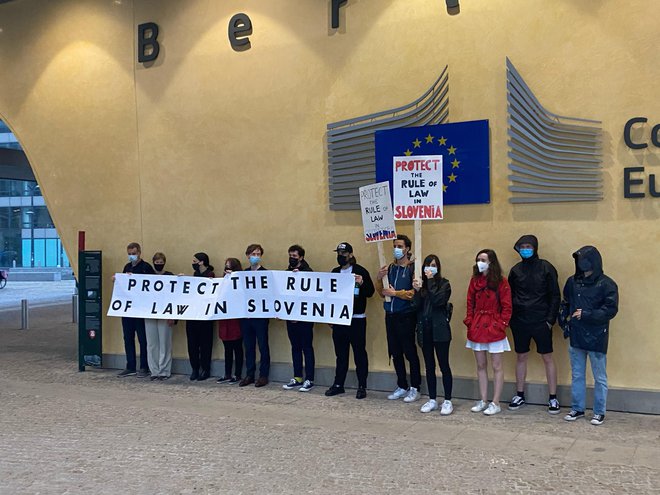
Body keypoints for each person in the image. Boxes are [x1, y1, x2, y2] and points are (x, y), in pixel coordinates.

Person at [560, 246, 618, 426]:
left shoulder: (606, 283)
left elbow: (610, 309)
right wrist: (563, 317)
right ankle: (577, 408)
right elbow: (566, 301)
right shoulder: (572, 282)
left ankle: (599, 411)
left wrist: (587, 314)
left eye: (584, 259)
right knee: (577, 374)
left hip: (597, 335)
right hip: (576, 334)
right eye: (578, 259)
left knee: (599, 376)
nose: (581, 263)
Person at [508, 235, 561, 414]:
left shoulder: (546, 268)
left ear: (535, 247)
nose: (525, 249)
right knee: (521, 356)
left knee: (547, 357)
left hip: (541, 321)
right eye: (522, 246)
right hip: (520, 321)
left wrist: (550, 320)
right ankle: (520, 394)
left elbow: (555, 295)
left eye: (528, 246)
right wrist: (511, 319)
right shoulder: (515, 270)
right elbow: (509, 296)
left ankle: (553, 397)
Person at [463, 249, 512, 416]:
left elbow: (507, 306)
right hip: (477, 326)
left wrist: (501, 324)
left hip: (494, 326)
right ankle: (483, 400)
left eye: (483, 259)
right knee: (481, 365)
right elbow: (469, 303)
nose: (480, 262)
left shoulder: (501, 282)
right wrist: (469, 321)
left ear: (491, 262)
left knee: (497, 366)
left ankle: (496, 402)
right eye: (478, 259)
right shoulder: (474, 281)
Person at [325, 242, 374, 399]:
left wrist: (362, 283)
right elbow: (328, 295)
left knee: (359, 353)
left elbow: (370, 292)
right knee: (341, 354)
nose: (341, 256)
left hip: (357, 319)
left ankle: (362, 386)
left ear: (350, 255)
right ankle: (338, 384)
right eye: (339, 253)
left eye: (344, 254)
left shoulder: (360, 271)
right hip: (339, 320)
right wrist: (329, 317)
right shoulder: (335, 272)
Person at [376, 234, 421, 403]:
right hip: (390, 315)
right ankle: (402, 385)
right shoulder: (390, 269)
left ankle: (415, 387)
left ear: (407, 249)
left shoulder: (412, 268)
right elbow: (382, 293)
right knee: (395, 352)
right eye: (395, 246)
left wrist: (396, 293)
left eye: (400, 246)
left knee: (410, 352)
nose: (397, 249)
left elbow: (414, 294)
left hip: (406, 316)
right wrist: (379, 279)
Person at [411, 255, 454, 415]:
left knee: (444, 365)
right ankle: (432, 399)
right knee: (429, 366)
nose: (430, 268)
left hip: (440, 331)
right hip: (425, 330)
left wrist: (430, 282)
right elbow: (415, 306)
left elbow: (438, 301)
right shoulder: (421, 286)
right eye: (428, 265)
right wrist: (416, 291)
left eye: (434, 265)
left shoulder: (444, 284)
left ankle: (448, 400)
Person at [117, 242, 154, 378]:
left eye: (134, 253)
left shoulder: (146, 267)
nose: (131, 256)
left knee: (143, 339)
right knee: (128, 338)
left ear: (139, 253)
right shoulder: (126, 267)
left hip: (141, 309)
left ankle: (144, 366)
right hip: (128, 309)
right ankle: (130, 366)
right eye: (129, 254)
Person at [282, 245, 316, 392]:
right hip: (291, 318)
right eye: (290, 255)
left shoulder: (309, 272)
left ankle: (309, 378)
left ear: (301, 257)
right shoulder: (286, 273)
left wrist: (300, 276)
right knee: (295, 347)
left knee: (307, 348)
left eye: (295, 256)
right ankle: (297, 377)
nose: (292, 258)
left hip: (305, 318)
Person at [239, 244, 271, 388]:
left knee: (263, 345)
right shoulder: (243, 274)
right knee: (249, 346)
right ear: (248, 256)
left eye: (258, 254)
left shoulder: (266, 273)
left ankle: (263, 375)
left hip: (261, 316)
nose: (256, 256)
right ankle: (250, 374)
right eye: (253, 254)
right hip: (246, 316)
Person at [144, 252, 175, 380]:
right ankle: (154, 371)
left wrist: (173, 315)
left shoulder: (169, 276)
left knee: (165, 343)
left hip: (165, 313)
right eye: (157, 263)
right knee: (152, 344)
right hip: (150, 313)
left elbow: (174, 296)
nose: (159, 265)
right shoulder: (148, 277)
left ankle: (164, 371)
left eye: (161, 262)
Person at [186, 252, 215, 381]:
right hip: (193, 315)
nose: (193, 263)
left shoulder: (210, 275)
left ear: (201, 262)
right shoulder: (194, 275)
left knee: (205, 344)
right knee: (192, 344)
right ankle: (195, 368)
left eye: (195, 261)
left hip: (205, 316)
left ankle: (205, 368)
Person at [216, 258, 244, 385]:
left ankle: (237, 374)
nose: (227, 269)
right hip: (224, 318)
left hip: (235, 319)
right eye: (226, 266)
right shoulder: (222, 282)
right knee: (227, 348)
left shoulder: (241, 282)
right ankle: (227, 373)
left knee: (237, 348)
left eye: (230, 267)